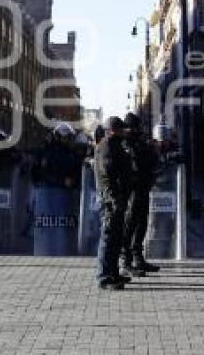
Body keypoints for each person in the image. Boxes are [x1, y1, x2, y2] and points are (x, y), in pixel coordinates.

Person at [94, 117, 132, 290]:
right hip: (111, 201)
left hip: (118, 199)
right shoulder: (107, 147)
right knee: (108, 238)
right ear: (112, 130)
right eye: (121, 129)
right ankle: (104, 277)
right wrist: (114, 199)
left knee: (116, 239)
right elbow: (107, 177)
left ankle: (113, 273)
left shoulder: (115, 146)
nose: (124, 132)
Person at [121, 112, 160, 277]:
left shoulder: (140, 142)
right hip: (132, 190)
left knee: (142, 223)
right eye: (135, 127)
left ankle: (138, 258)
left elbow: (152, 161)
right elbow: (135, 164)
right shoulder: (125, 144)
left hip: (143, 188)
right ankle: (126, 262)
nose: (138, 130)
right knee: (130, 225)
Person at [34, 123, 81, 189]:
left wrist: (73, 180)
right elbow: (42, 173)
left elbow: (77, 170)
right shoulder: (48, 151)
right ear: (57, 137)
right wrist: (61, 180)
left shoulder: (72, 154)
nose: (67, 140)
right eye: (64, 137)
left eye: (68, 137)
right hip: (48, 190)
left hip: (66, 192)